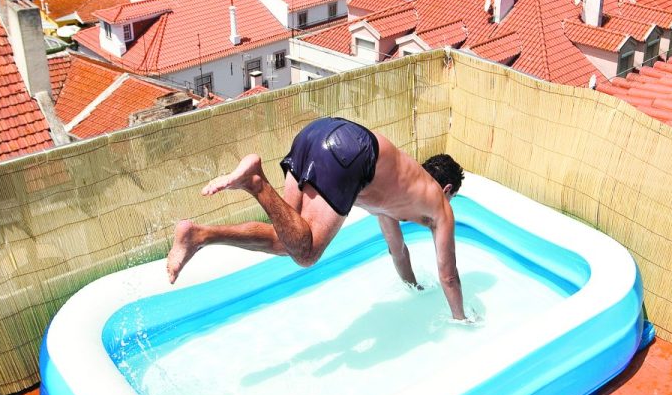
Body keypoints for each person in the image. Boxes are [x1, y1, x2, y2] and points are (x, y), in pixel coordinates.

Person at [165, 116, 470, 320]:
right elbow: (449, 276)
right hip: (351, 151)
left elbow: (398, 250)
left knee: (286, 238)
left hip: (317, 133)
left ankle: (199, 235)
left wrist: (413, 288)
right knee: (307, 253)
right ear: (446, 190)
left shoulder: (398, 189)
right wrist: (462, 321)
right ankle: (255, 182)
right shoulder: (440, 206)